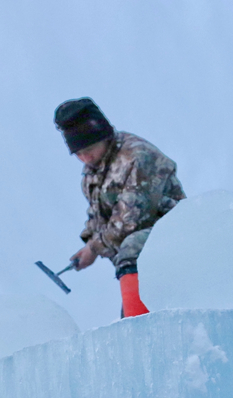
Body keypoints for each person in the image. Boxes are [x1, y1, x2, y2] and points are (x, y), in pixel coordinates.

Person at [54, 98, 185, 317]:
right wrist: (89, 243)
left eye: (89, 149)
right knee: (131, 260)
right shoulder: (93, 170)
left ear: (104, 136)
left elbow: (129, 219)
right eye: (78, 154)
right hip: (140, 256)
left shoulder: (137, 157)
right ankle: (135, 321)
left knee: (132, 247)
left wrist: (94, 248)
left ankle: (138, 324)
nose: (85, 158)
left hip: (174, 236)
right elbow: (97, 215)